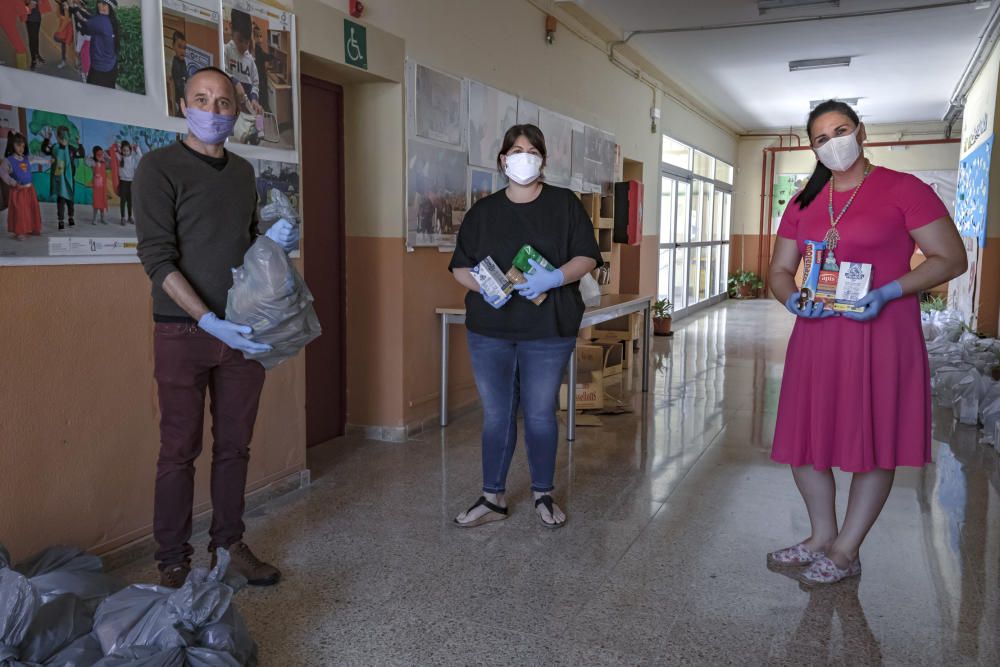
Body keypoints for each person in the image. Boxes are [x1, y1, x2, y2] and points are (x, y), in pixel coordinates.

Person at [767, 100, 967, 585]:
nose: (833, 142)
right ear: (811, 148)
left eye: (840, 130)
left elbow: (950, 258)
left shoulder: (904, 189)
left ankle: (846, 550)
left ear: (861, 132)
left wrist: (889, 291)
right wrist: (793, 300)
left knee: (871, 440)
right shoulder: (803, 202)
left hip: (881, 333)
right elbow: (778, 271)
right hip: (816, 335)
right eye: (820, 138)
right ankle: (820, 536)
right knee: (805, 441)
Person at [135, 66, 299, 589]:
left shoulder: (243, 173)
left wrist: (276, 240)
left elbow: (249, 243)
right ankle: (172, 563)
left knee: (235, 446)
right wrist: (207, 320)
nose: (213, 110)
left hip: (244, 330)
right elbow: (157, 260)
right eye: (202, 100)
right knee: (178, 449)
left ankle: (228, 546)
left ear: (236, 111)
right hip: (182, 333)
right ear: (184, 106)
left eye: (223, 102)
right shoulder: (157, 168)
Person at [449, 124, 602, 529]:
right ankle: (492, 496)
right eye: (516, 150)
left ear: (543, 160)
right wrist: (485, 289)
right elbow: (460, 267)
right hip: (490, 329)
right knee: (496, 415)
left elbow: (587, 257)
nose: (523, 156)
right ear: (502, 159)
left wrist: (554, 279)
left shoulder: (564, 205)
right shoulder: (484, 211)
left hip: (547, 330)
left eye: (532, 150)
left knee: (538, 413)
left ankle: (543, 494)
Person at [1, 132, 42, 240]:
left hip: (29, 189)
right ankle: (20, 231)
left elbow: (37, 159)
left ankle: (33, 227)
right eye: (18, 145)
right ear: (12, 145)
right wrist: (12, 181)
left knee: (31, 208)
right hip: (18, 190)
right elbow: (2, 172)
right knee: (20, 211)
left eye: (23, 145)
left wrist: (48, 161)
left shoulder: (26, 158)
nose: (21, 148)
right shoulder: (8, 160)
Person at [40, 125, 82, 230]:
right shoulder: (55, 147)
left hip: (69, 180)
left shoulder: (71, 149)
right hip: (59, 181)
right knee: (61, 201)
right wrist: (46, 139)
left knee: (70, 201)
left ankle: (71, 217)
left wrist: (79, 143)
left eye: (66, 138)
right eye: (61, 138)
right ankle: (61, 220)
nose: (64, 140)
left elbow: (81, 153)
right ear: (57, 138)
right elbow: (45, 150)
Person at [224, 9, 262, 116]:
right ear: (231, 27)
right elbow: (223, 71)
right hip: (230, 107)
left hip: (246, 110)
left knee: (255, 123)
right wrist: (235, 82)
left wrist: (254, 99)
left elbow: (255, 83)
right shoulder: (226, 50)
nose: (244, 46)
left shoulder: (250, 60)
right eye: (240, 40)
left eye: (247, 42)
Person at [79, 0, 118, 88]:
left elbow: (84, 26)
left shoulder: (100, 20)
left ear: (110, 7)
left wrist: (73, 8)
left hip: (100, 69)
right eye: (100, 3)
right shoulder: (113, 21)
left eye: (105, 4)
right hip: (112, 66)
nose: (101, 6)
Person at [117, 139, 139, 225]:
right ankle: (123, 217)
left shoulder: (133, 159)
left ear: (130, 150)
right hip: (123, 182)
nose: (125, 152)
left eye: (127, 150)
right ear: (121, 151)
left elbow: (140, 156)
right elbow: (113, 151)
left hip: (131, 182)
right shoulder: (119, 157)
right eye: (124, 150)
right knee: (123, 201)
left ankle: (130, 217)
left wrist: (137, 148)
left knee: (130, 201)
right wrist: (118, 145)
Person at [87, 145, 107, 224]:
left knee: (102, 202)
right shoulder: (93, 163)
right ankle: (94, 218)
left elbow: (110, 161)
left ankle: (102, 218)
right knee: (96, 203)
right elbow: (86, 161)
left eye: (101, 154)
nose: (100, 156)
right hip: (96, 187)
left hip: (103, 187)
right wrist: (91, 156)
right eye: (98, 154)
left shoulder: (104, 162)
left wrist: (105, 155)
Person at [169, 31, 187, 116]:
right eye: (179, 47)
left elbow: (186, 77)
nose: (182, 51)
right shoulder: (175, 63)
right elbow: (177, 84)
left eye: (184, 48)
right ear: (173, 46)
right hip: (178, 100)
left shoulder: (183, 62)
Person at [24, 0, 44, 70]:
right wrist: (28, 4)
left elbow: (41, 3)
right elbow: (24, 5)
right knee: (32, 39)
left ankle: (37, 54)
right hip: (30, 19)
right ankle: (33, 60)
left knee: (36, 37)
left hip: (37, 18)